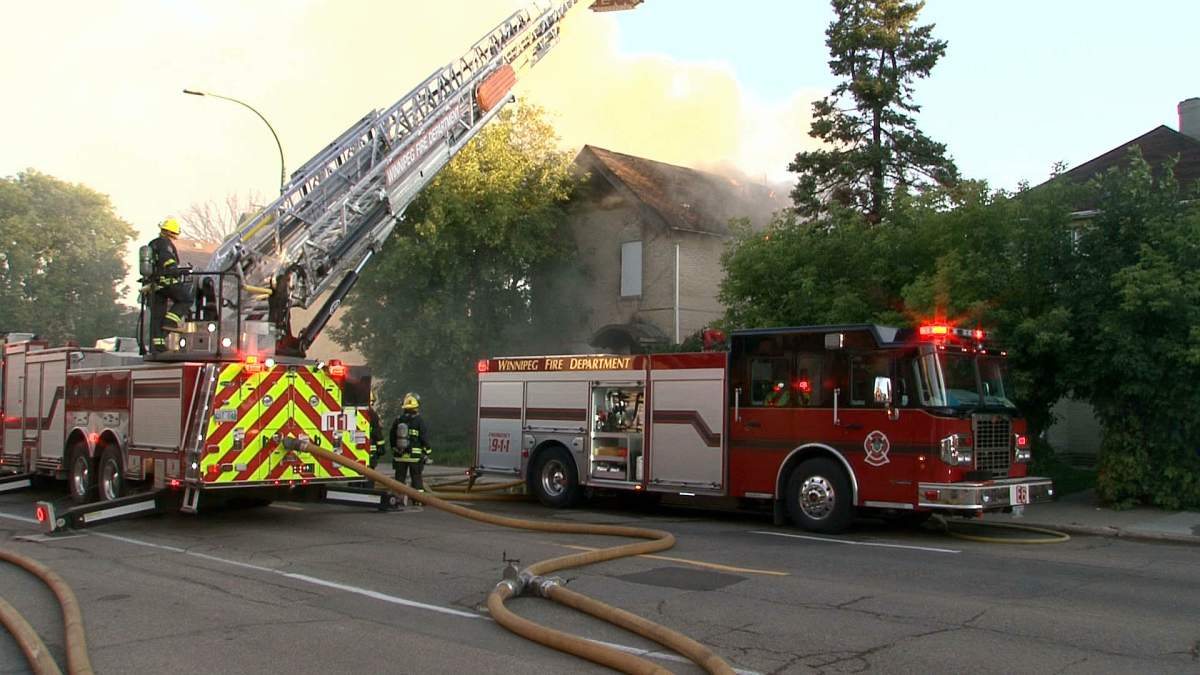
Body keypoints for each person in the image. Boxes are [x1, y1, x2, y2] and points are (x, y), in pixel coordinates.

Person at [146, 217, 194, 352]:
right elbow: (166, 259)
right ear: (173, 233)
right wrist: (175, 269)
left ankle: (158, 345)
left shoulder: (153, 243)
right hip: (167, 282)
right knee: (186, 299)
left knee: (157, 316)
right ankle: (170, 322)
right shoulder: (164, 243)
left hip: (155, 285)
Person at [389, 392, 431, 501]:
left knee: (399, 480)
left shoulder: (398, 420)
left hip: (399, 456)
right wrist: (427, 452)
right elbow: (424, 438)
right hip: (415, 457)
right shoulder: (419, 421)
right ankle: (418, 500)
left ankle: (398, 500)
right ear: (416, 407)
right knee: (416, 479)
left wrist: (394, 448)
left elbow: (392, 436)